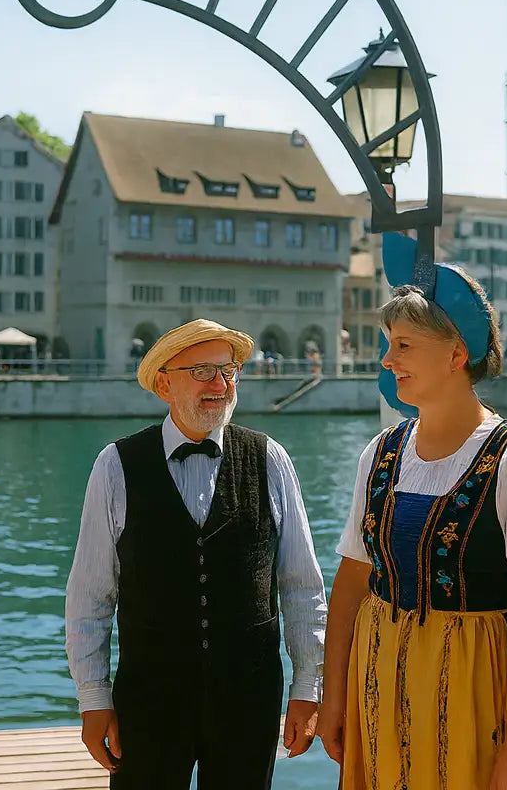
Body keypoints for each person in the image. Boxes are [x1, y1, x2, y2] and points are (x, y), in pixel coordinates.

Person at [318, 267, 507, 790]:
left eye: (405, 345)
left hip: (480, 701)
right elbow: (349, 587)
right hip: (381, 693)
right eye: (390, 344)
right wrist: (334, 698)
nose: (388, 360)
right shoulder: (382, 452)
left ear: (457, 354)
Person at [65, 319, 327, 789]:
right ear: (164, 383)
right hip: (149, 697)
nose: (220, 385)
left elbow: (302, 586)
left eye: (229, 372)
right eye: (203, 371)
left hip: (249, 696)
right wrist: (93, 697)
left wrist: (307, 688)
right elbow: (90, 596)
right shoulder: (115, 465)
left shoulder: (270, 459)